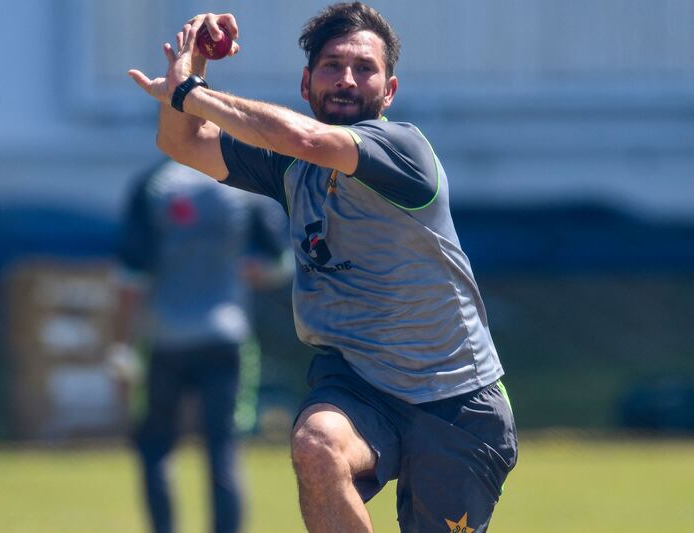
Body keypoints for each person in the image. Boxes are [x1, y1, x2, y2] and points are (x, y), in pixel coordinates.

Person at [127, 2, 518, 531]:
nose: (347, 79)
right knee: (316, 445)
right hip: (358, 382)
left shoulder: (403, 149)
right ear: (306, 83)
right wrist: (194, 67)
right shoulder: (292, 167)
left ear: (390, 91)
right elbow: (180, 142)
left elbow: (305, 138)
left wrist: (187, 92)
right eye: (332, 66)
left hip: (455, 400)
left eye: (365, 68)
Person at [115, 158, 290, 533]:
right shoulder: (245, 185)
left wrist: (122, 347)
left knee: (156, 447)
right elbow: (279, 264)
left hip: (164, 339)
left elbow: (132, 277)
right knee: (223, 448)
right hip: (226, 334)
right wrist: (233, 273)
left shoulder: (151, 183)